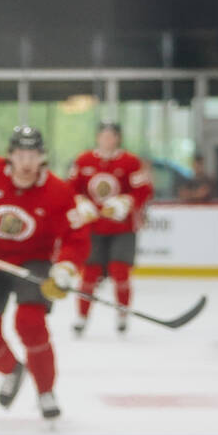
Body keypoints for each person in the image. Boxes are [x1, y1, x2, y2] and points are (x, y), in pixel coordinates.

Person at [0, 125, 90, 420]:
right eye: (20, 154)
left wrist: (64, 270)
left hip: (34, 262)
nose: (26, 162)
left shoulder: (58, 191)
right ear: (10, 156)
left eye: (33, 155)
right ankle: (13, 370)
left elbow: (77, 238)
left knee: (30, 323)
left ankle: (45, 391)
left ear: (43, 157)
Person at [67, 123, 153, 336]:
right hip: (93, 228)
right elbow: (69, 188)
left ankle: (122, 313)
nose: (107, 139)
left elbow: (143, 190)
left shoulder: (130, 162)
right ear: (98, 137)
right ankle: (82, 317)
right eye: (103, 135)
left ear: (117, 138)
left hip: (121, 228)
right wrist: (79, 201)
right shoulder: (84, 160)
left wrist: (127, 202)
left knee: (120, 271)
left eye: (111, 136)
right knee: (89, 274)